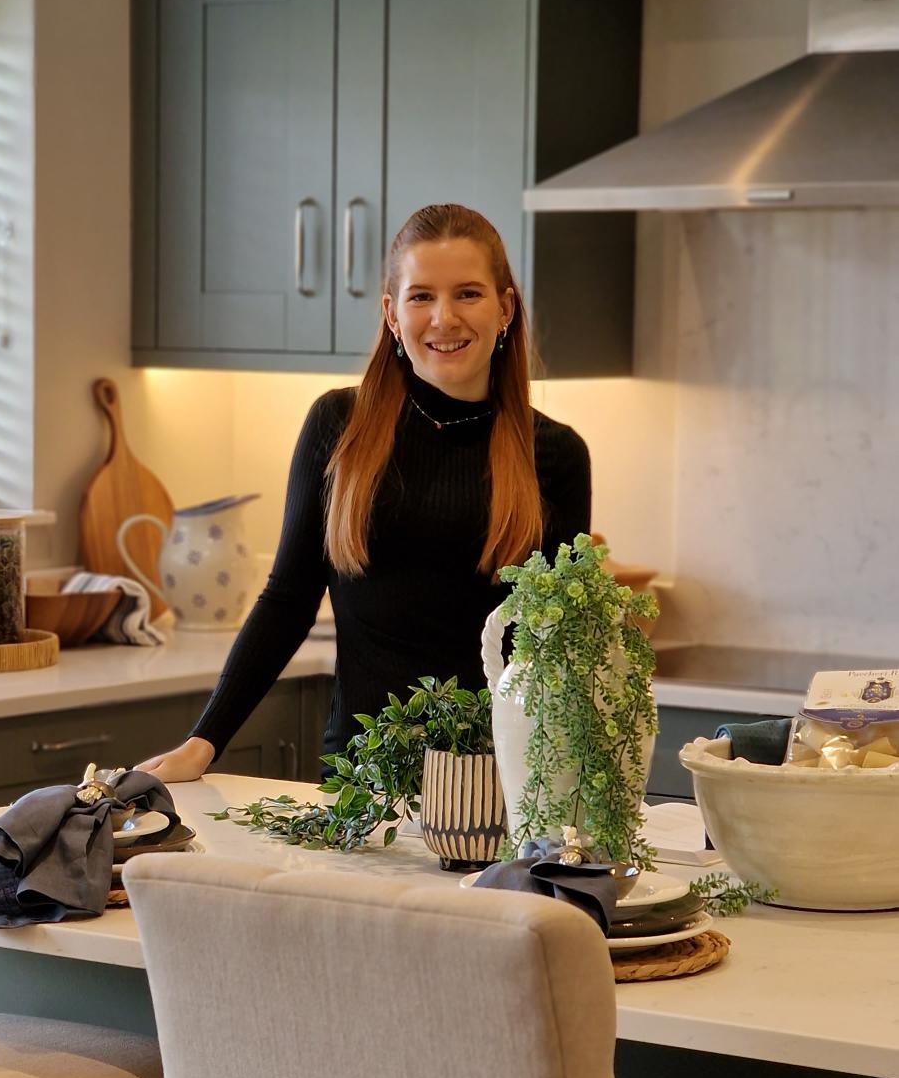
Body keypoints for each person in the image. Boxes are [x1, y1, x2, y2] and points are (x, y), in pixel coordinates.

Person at [138, 202, 591, 782]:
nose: (443, 318)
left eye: (468, 294)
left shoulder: (555, 456)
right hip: (358, 783)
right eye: (421, 296)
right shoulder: (338, 426)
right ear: (392, 314)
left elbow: (556, 645)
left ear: (505, 309)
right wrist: (203, 743)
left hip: (497, 784)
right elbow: (287, 599)